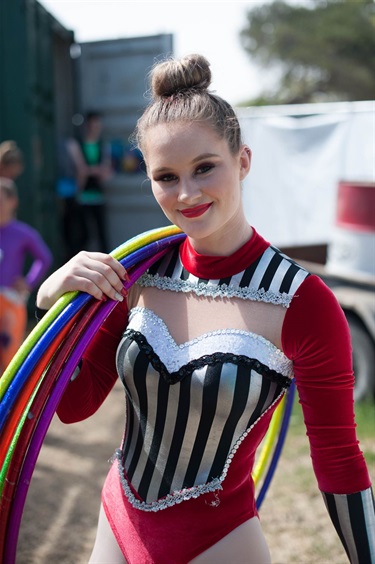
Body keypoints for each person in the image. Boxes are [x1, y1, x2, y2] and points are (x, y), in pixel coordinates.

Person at [36, 54, 374, 564]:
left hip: (219, 543)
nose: (187, 193)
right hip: (117, 526)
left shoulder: (304, 301)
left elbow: (339, 461)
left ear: (243, 160)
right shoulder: (136, 272)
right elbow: (73, 404)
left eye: (204, 167)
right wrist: (54, 302)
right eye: (165, 176)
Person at [0, 177, 52, 373]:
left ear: (13, 201)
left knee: (8, 357)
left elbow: (44, 258)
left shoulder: (22, 233)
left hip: (10, 301)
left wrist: (28, 282)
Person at [77, 111, 113, 253]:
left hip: (98, 195)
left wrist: (91, 170)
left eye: (97, 125)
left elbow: (106, 171)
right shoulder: (78, 144)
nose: (95, 128)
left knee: (101, 233)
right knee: (83, 235)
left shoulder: (102, 145)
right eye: (92, 125)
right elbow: (81, 171)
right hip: (82, 196)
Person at [56, 136, 88, 260]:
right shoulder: (70, 143)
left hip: (68, 194)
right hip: (70, 195)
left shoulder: (65, 143)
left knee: (70, 231)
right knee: (74, 232)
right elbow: (82, 170)